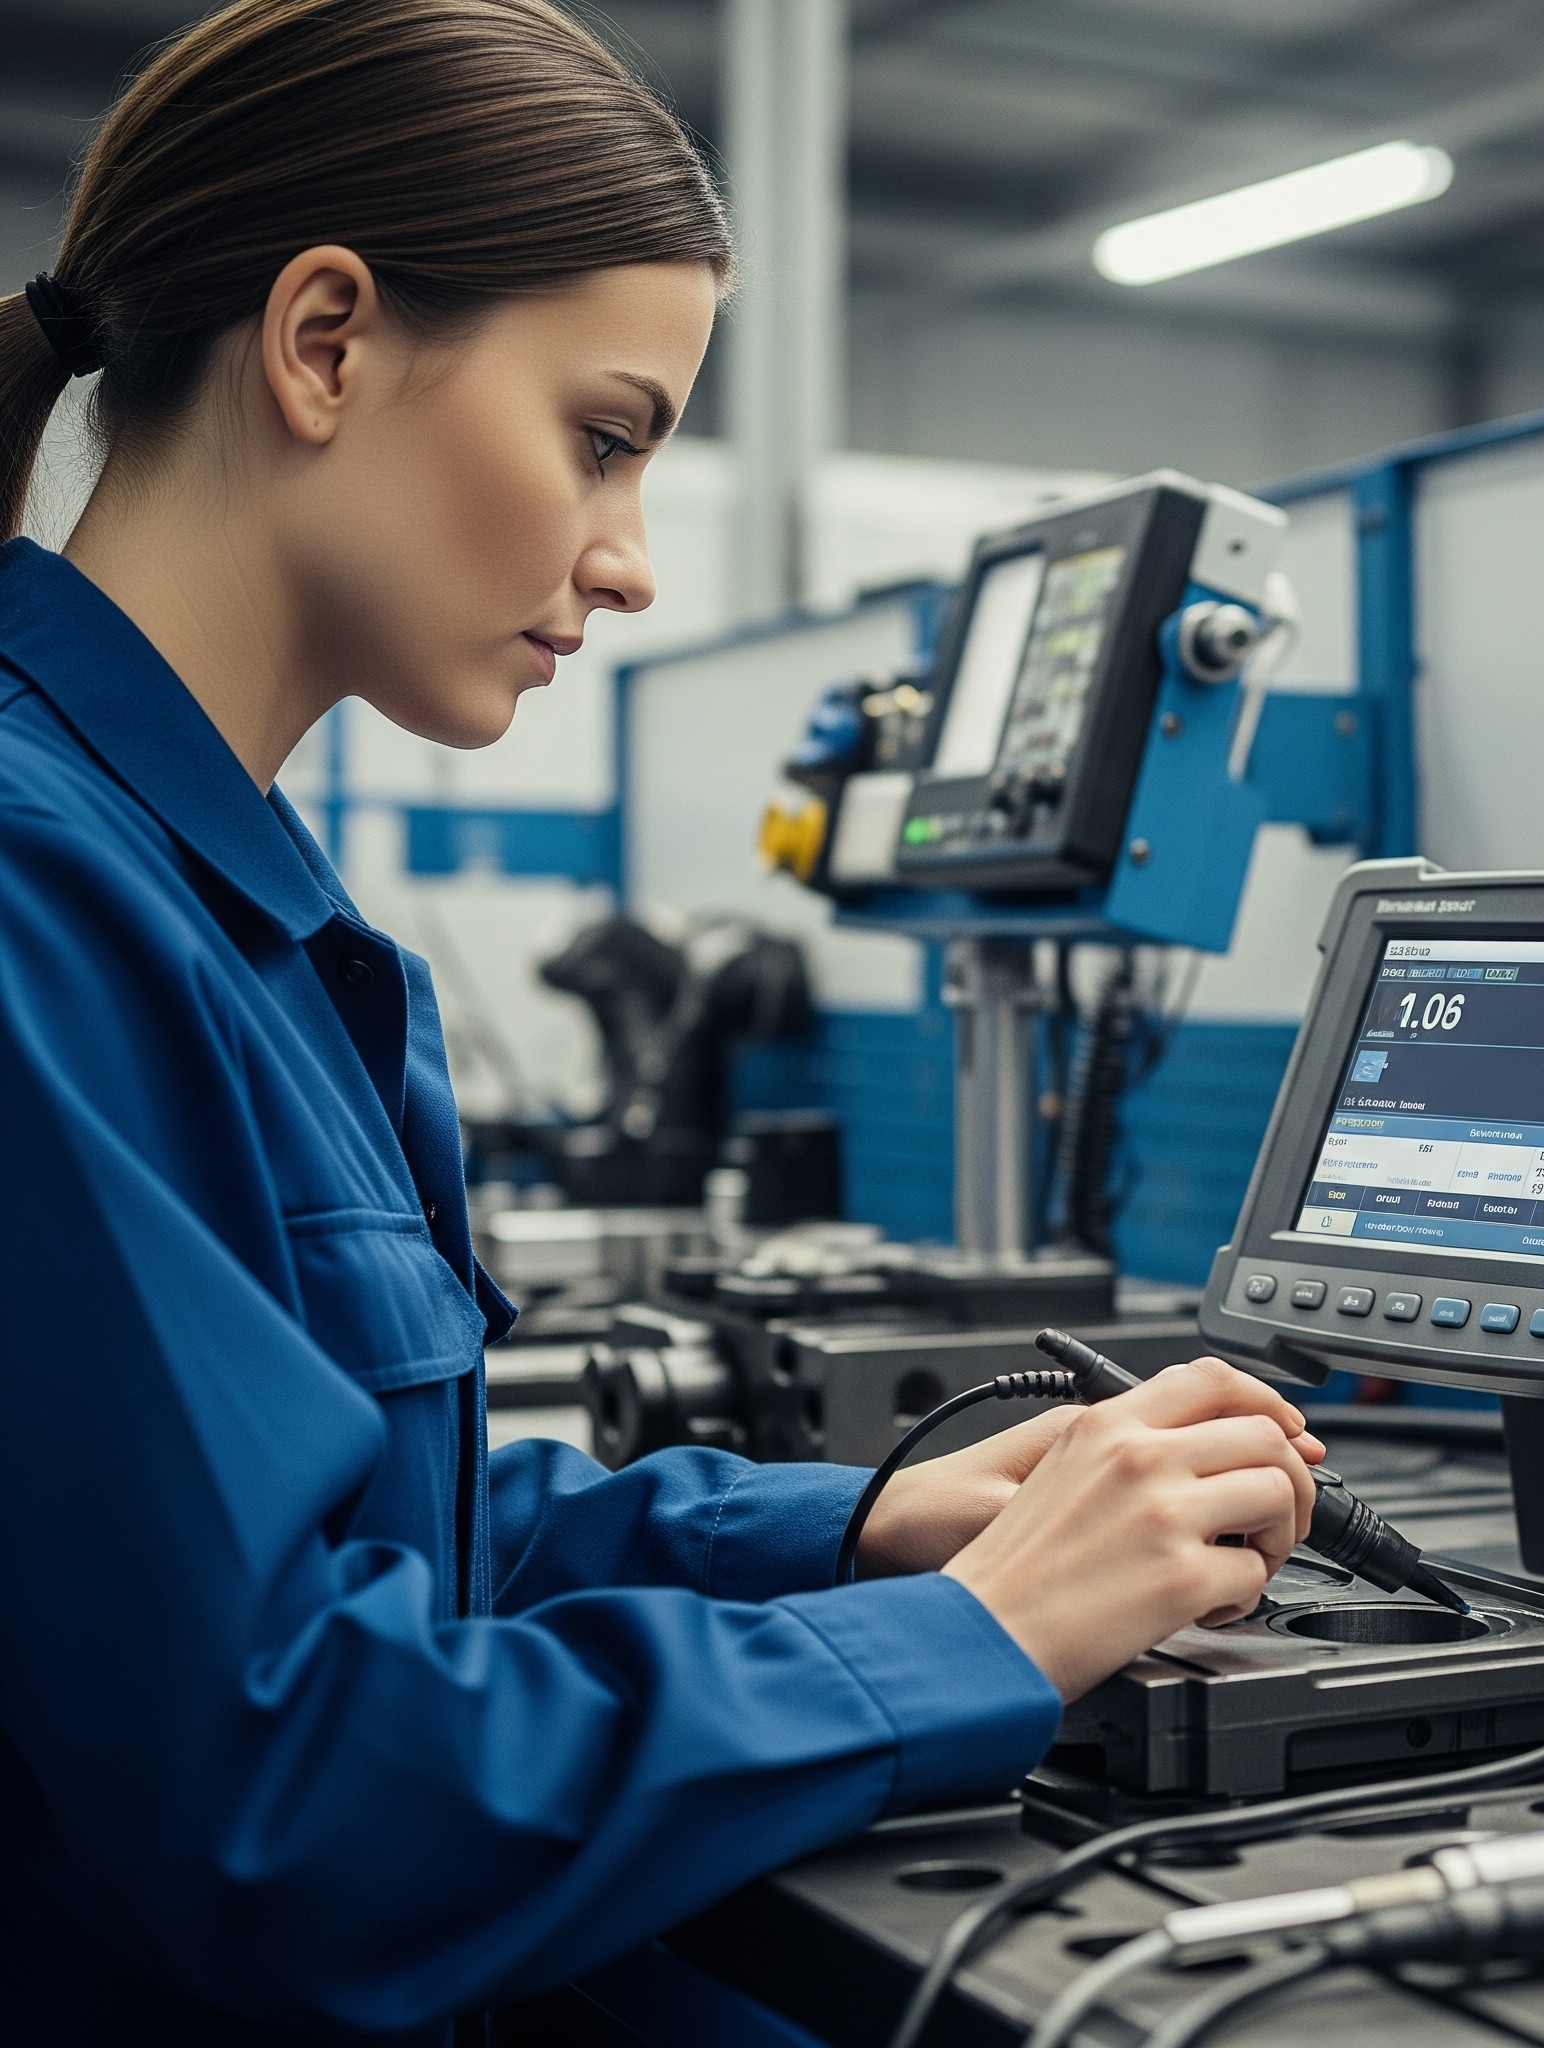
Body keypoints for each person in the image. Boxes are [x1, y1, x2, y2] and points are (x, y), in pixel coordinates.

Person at [0, 4, 1325, 2042]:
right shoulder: (40, 904)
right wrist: (972, 1633)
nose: (624, 560)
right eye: (604, 437)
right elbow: (277, 1784)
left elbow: (375, 1545)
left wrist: (861, 1528)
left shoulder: (231, 907)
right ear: (324, 341)